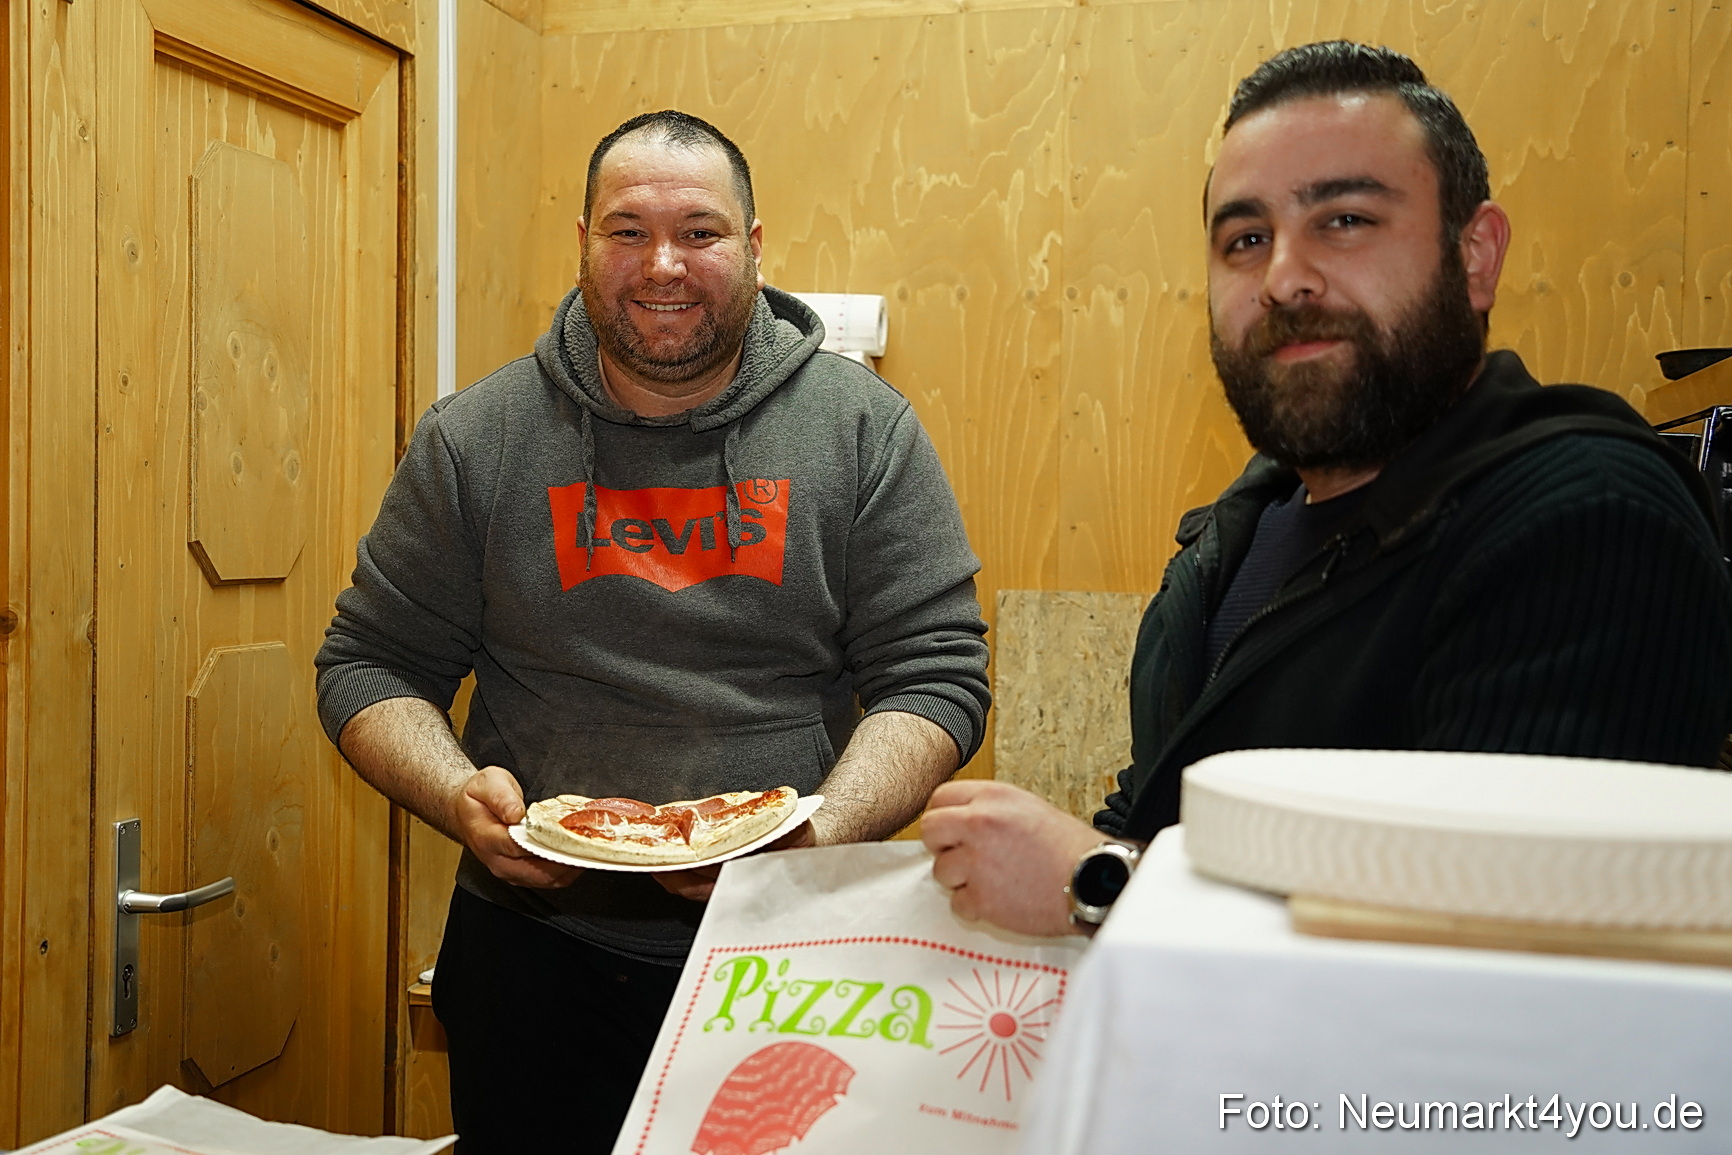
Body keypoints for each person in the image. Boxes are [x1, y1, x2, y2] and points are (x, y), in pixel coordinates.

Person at [922, 41, 1732, 938]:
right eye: (1246, 238)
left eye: (1344, 220)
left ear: (1476, 256)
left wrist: (1098, 882)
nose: (1283, 278)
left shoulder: (1592, 525)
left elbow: (1501, 949)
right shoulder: (1245, 527)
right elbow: (1171, 796)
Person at [315, 110, 990, 1153]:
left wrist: (820, 830)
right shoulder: (474, 439)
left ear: (756, 247)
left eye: (701, 233)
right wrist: (459, 799)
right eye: (626, 230)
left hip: (790, 951)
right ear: (582, 240)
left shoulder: (864, 433)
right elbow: (367, 664)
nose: (663, 264)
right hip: (530, 953)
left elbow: (935, 674)